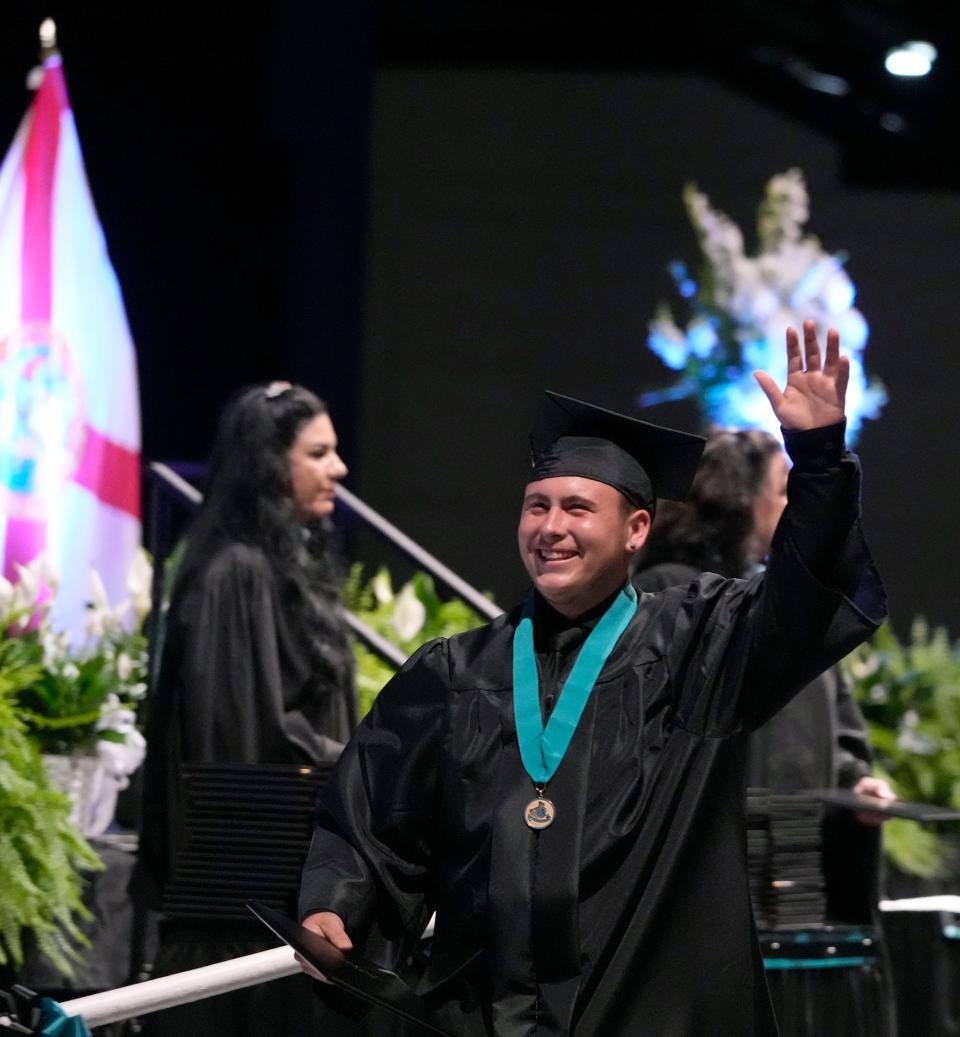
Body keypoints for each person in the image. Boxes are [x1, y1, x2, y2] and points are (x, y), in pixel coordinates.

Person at [298, 323, 886, 1036]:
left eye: (577, 508)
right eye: (536, 505)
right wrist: (335, 898)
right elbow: (372, 819)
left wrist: (819, 458)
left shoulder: (696, 646)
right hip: (485, 1019)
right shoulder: (456, 674)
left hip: (643, 1014)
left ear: (637, 528)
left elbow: (804, 594)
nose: (550, 527)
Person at [136, 381, 357, 1035]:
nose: (339, 469)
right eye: (318, 453)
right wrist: (365, 766)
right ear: (269, 464)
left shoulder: (276, 567)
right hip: (243, 904)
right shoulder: (239, 572)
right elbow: (248, 739)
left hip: (274, 897)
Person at [633, 427, 893, 813]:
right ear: (740, 499)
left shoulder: (783, 602)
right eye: (783, 492)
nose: (794, 506)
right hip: (713, 836)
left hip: (796, 844)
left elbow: (824, 724)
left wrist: (855, 780)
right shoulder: (669, 593)